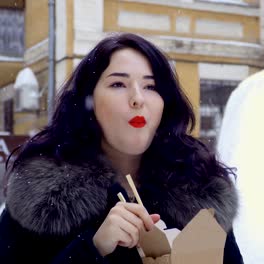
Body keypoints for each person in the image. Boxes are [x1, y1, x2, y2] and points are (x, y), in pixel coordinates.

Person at [0, 33, 243, 263]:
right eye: (118, 84)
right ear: (88, 100)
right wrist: (92, 249)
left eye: (151, 86)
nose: (138, 98)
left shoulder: (199, 189)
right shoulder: (43, 198)